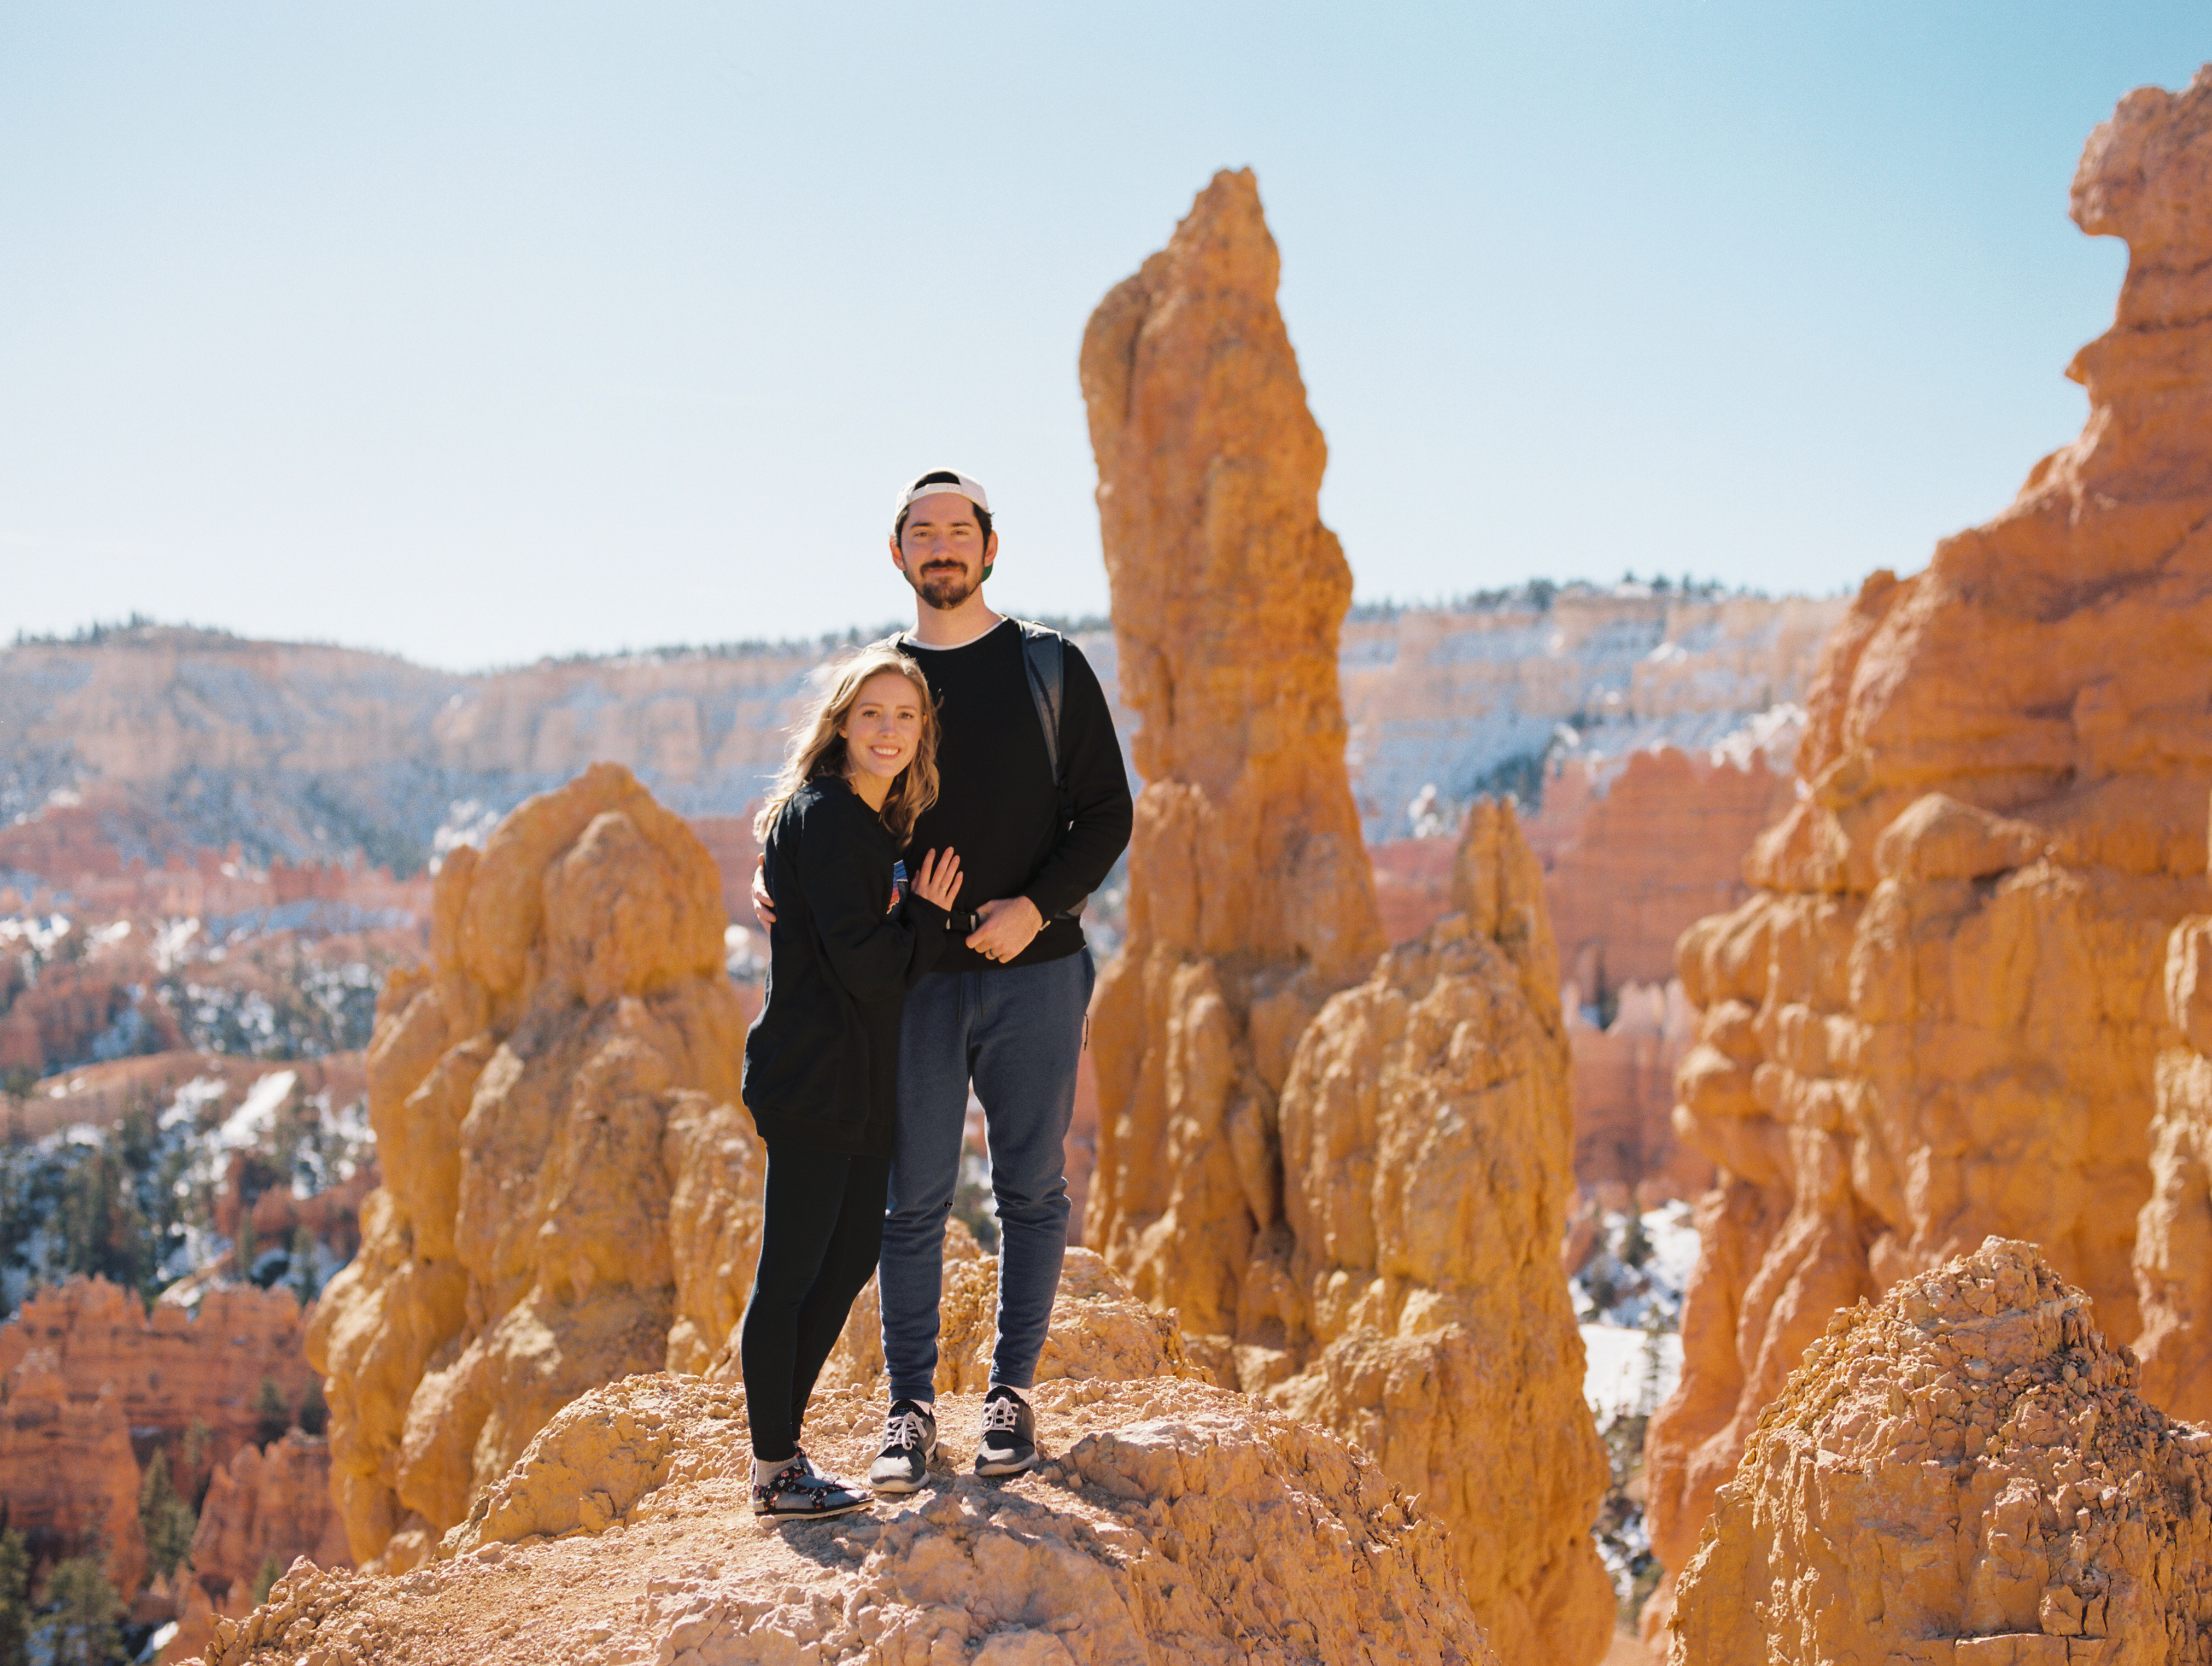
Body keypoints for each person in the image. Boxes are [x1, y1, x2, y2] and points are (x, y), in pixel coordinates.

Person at [756, 469, 1133, 1488]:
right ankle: (909, 1411)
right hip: (912, 978)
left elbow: (1107, 815)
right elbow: (820, 792)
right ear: (898, 554)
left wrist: (1035, 910)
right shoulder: (887, 680)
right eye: (922, 532)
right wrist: (776, 869)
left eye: (958, 531)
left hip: (1037, 972)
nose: (942, 548)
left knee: (1031, 1190)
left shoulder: (1049, 666)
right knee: (910, 1200)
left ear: (990, 548)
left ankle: (1010, 1396)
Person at [738, 646, 963, 1519]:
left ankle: (784, 1453)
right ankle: (771, 1471)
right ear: (839, 722)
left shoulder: (869, 826)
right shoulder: (826, 816)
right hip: (813, 1071)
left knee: (844, 1259)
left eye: (906, 717)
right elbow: (869, 967)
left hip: (861, 1079)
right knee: (794, 1268)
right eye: (871, 713)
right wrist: (931, 919)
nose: (889, 731)